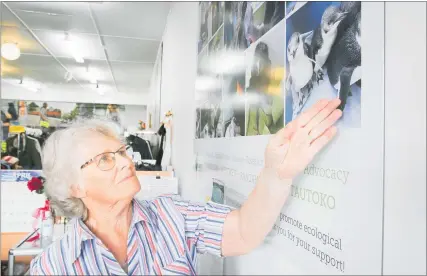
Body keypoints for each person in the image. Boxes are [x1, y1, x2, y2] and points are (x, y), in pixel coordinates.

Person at [30, 99, 342, 275]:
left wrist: (276, 172)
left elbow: (245, 232)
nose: (127, 162)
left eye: (122, 152)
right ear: (74, 187)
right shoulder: (53, 266)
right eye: (105, 160)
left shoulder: (172, 214)